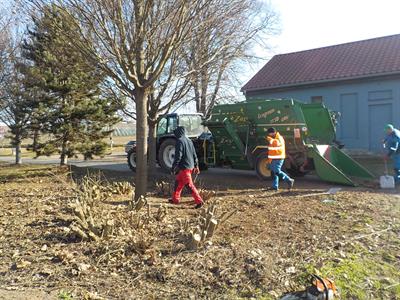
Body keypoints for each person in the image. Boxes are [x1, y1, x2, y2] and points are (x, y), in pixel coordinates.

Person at [169, 126, 203, 208]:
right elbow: (194, 155)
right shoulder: (189, 141)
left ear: (178, 133)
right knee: (178, 183)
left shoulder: (180, 141)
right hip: (189, 167)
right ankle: (175, 199)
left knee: (189, 185)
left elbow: (178, 156)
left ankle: (199, 201)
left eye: (175, 132)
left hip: (184, 168)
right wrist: (196, 165)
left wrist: (174, 167)